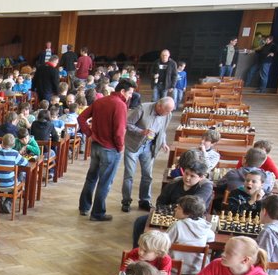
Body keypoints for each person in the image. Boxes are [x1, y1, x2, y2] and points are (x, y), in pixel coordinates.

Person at [78, 78, 135, 222]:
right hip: (110, 149)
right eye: (130, 93)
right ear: (123, 91)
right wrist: (120, 148)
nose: (130, 96)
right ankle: (97, 213)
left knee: (91, 178)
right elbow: (119, 132)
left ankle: (84, 207)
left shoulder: (100, 101)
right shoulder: (120, 105)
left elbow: (81, 118)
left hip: (96, 146)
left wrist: (89, 133)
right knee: (105, 181)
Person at [132, 159, 213, 247]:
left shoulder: (206, 186)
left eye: (192, 176)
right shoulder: (174, 182)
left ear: (201, 177)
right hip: (170, 216)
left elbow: (194, 206)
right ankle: (137, 249)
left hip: (192, 220)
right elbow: (160, 202)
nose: (187, 178)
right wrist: (173, 211)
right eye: (186, 173)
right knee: (140, 222)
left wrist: (173, 208)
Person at [121, 97, 175, 213]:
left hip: (149, 147)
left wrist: (163, 142)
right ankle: (126, 201)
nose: (168, 114)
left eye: (170, 111)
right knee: (129, 175)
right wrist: (141, 131)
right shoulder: (143, 108)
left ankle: (144, 200)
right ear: (159, 106)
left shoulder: (168, 114)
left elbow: (163, 130)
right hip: (133, 145)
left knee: (147, 175)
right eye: (167, 111)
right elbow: (127, 124)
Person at [166, 195, 214, 275]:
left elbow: (163, 243)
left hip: (175, 272)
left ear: (188, 213)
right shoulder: (204, 226)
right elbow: (212, 238)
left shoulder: (177, 226)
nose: (175, 209)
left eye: (179, 208)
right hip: (197, 274)